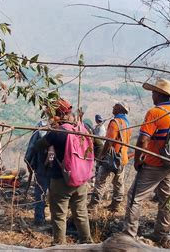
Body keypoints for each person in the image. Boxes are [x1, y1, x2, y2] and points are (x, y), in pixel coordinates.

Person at [122, 78, 170, 247]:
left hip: (154, 163)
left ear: (159, 94)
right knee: (166, 199)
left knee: (134, 197)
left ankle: (129, 235)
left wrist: (139, 159)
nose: (152, 95)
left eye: (154, 92)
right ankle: (162, 233)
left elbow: (143, 140)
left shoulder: (155, 112)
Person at [35, 99, 92, 245]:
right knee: (81, 213)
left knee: (59, 215)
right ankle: (87, 243)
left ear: (57, 114)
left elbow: (38, 146)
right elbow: (97, 145)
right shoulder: (82, 128)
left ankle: (59, 245)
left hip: (61, 180)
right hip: (81, 180)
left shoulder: (57, 133)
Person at [90, 101, 132, 212]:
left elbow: (109, 142)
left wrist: (102, 155)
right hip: (122, 158)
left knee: (100, 182)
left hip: (111, 158)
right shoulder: (127, 123)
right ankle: (116, 205)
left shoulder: (115, 122)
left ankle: (93, 206)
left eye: (115, 106)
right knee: (118, 183)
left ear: (119, 109)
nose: (113, 107)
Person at [24, 120, 50, 226]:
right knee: (53, 194)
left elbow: (31, 148)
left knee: (40, 193)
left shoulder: (37, 132)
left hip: (41, 167)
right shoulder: (58, 131)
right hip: (55, 168)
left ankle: (39, 219)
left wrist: (28, 162)